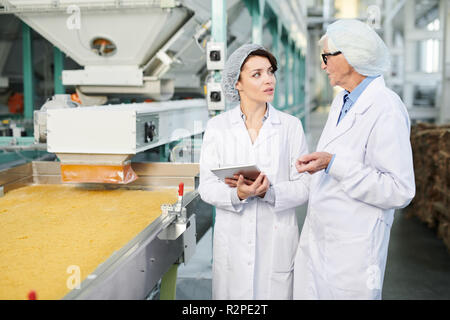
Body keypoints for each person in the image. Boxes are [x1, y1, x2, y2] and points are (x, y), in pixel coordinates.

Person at [293, 19, 416, 300]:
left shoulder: (386, 108)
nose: (322, 66)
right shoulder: (343, 100)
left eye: (326, 57)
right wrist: (321, 162)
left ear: (349, 56)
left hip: (355, 249)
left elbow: (400, 190)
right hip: (323, 238)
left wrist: (334, 164)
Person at [198, 44, 309, 299]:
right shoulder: (218, 127)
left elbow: (304, 186)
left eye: (270, 72)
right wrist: (237, 194)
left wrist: (268, 192)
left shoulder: (291, 127)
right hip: (233, 245)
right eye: (257, 74)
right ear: (237, 83)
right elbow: (207, 186)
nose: (269, 79)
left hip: (276, 241)